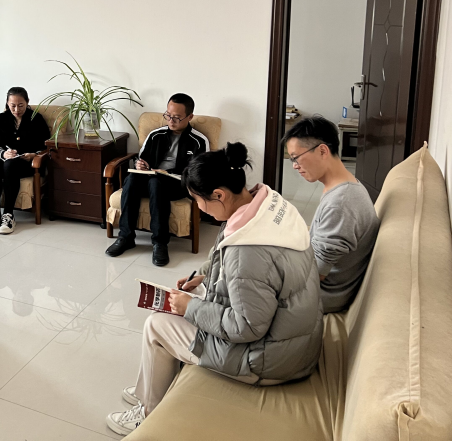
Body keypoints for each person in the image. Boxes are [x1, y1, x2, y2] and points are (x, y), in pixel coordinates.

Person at [106, 143, 323, 436]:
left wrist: (191, 307)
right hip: (293, 343)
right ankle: (150, 385)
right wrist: (202, 275)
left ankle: (148, 411)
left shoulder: (248, 252)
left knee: (157, 325)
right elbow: (232, 258)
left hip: (270, 360)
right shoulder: (266, 205)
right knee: (187, 299)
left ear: (219, 195)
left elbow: (247, 326)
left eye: (198, 200)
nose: (198, 207)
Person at [283, 115, 379, 313]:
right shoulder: (345, 185)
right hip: (315, 283)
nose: (294, 165)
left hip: (318, 296)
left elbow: (313, 275)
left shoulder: (341, 203)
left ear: (322, 150)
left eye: (296, 157)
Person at [106, 93, 209, 266]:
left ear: (190, 117)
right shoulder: (155, 135)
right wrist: (141, 165)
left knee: (156, 183)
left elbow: (199, 172)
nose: (171, 121)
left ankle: (160, 243)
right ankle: (125, 237)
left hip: (177, 183)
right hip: (151, 177)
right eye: (168, 115)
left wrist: (167, 172)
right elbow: (143, 158)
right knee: (132, 179)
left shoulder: (199, 141)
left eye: (176, 117)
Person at [0, 87, 50, 235]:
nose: (16, 110)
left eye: (20, 105)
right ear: (7, 103)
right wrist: (3, 153)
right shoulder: (0, 118)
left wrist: (33, 155)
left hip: (25, 163)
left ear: (27, 102)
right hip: (3, 158)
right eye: (12, 106)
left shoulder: (36, 119)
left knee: (10, 165)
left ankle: (8, 215)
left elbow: (47, 144)